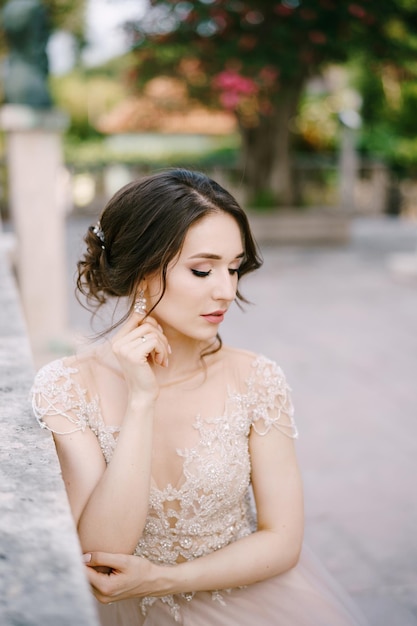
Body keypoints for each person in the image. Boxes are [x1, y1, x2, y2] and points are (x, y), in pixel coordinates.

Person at [31, 169, 367, 625]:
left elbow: (282, 539)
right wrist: (140, 401)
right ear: (141, 269)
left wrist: (162, 580)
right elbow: (104, 554)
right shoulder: (67, 388)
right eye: (203, 270)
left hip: (253, 604)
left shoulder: (256, 379)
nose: (226, 290)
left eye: (233, 268)